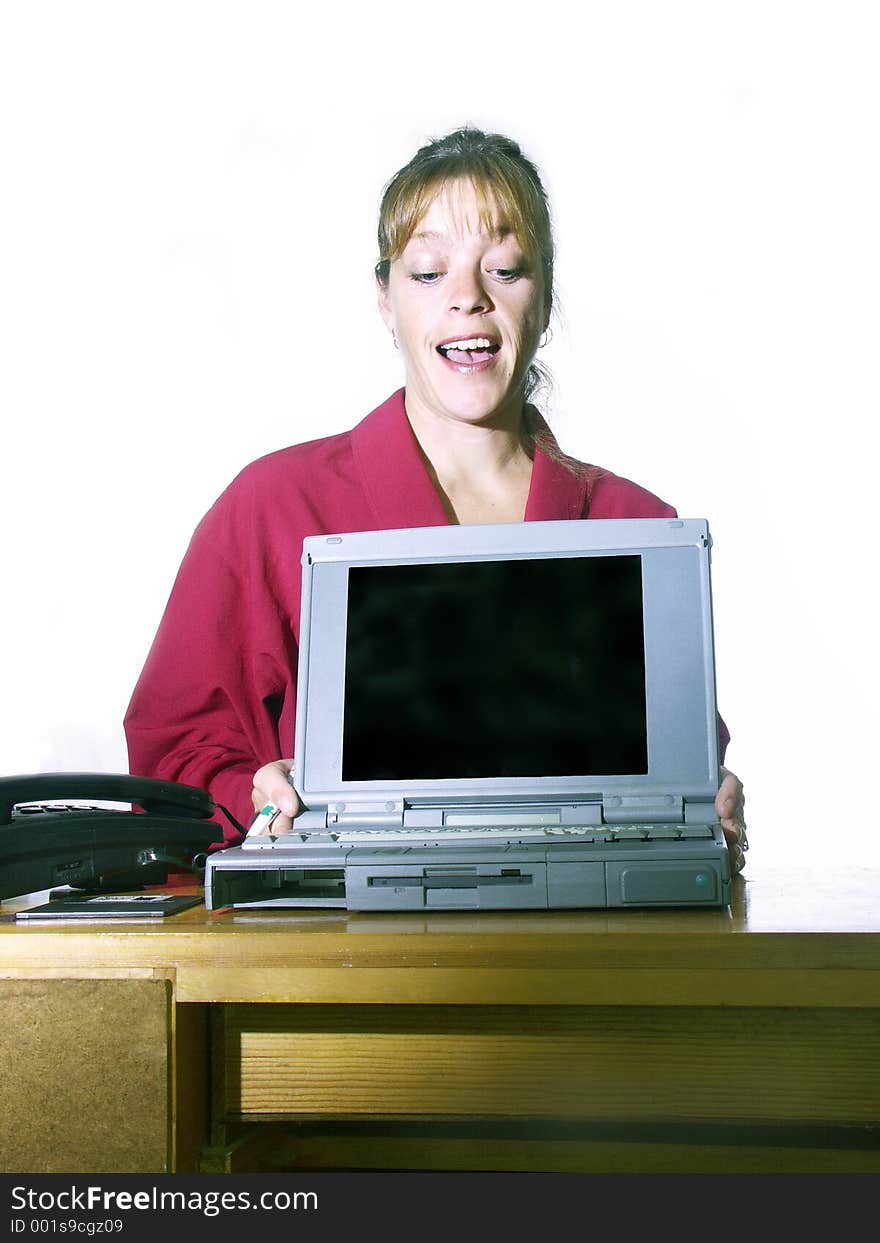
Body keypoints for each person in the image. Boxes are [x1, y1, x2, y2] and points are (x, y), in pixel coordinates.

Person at [124, 126, 748, 874]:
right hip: (335, 958)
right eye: (428, 273)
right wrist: (249, 790)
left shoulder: (636, 525)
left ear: (544, 298)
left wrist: (705, 805)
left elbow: (686, 762)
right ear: (385, 300)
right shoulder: (271, 506)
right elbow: (172, 751)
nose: (467, 300)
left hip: (586, 958)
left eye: (506, 269)